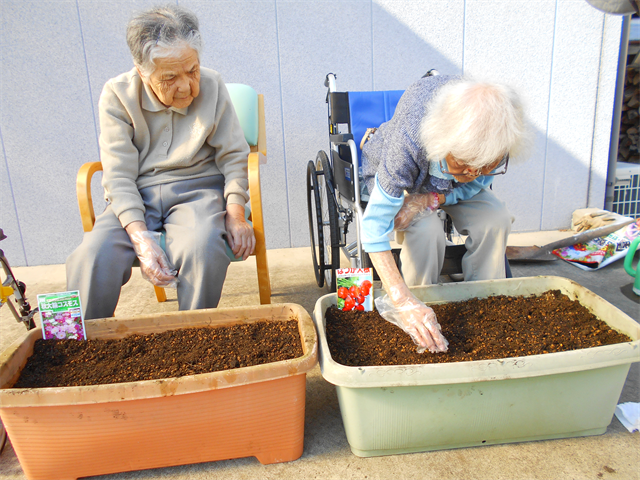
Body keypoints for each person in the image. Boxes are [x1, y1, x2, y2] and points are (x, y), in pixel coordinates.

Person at [66, 4, 255, 319]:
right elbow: (118, 175)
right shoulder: (117, 94)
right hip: (136, 195)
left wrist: (236, 214)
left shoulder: (212, 84)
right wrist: (140, 236)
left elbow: (235, 155)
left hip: (199, 192)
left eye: (192, 70)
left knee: (203, 246)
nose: (186, 86)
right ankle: (71, 349)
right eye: (170, 77)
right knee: (91, 255)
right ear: (142, 71)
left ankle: (192, 337)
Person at [360, 74, 528, 354]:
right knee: (426, 231)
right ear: (442, 145)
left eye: (485, 165)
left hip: (442, 189)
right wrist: (401, 301)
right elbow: (373, 227)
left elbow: (476, 181)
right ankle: (419, 311)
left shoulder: (494, 131)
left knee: (494, 217)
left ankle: (483, 305)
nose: (473, 174)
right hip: (409, 181)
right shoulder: (408, 145)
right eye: (463, 166)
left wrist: (438, 197)